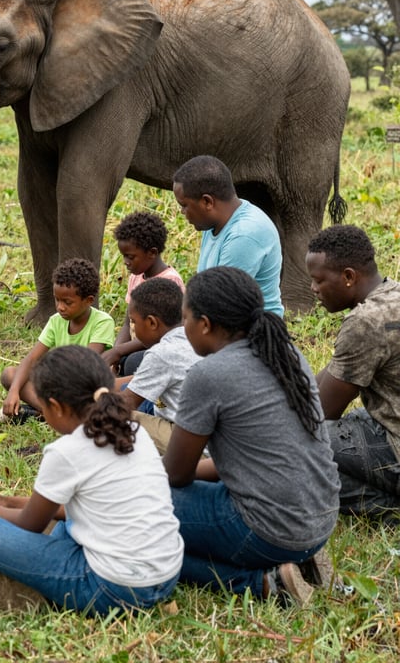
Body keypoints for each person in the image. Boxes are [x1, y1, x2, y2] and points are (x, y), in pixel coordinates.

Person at [0, 345, 184, 615]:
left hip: (113, 589)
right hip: (166, 577)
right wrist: (6, 501)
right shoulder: (133, 430)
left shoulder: (66, 451)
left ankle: (34, 595)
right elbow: (89, 508)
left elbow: (31, 523)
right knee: (60, 525)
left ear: (55, 407)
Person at [164, 266, 340, 605]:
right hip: (319, 519)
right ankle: (299, 563)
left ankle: (262, 583)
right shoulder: (286, 354)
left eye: (184, 319)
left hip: (268, 531)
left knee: (135, 519)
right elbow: (258, 458)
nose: (182, 328)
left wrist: (144, 473)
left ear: (204, 324)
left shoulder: (209, 374)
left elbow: (175, 474)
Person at [306, 224, 400, 520]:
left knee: (301, 450)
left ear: (348, 277)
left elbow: (322, 413)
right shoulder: (393, 294)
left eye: (318, 281)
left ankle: (389, 509)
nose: (313, 289)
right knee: (356, 421)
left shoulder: (365, 322)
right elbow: (335, 371)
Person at [0, 258, 115, 421]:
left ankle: (53, 414)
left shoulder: (103, 322)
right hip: (60, 385)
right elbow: (32, 358)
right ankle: (53, 413)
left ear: (89, 300)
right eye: (57, 299)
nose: (60, 306)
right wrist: (14, 391)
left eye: (67, 302)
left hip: (87, 386)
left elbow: (87, 364)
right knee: (10, 375)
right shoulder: (56, 320)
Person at [172, 155, 284, 316]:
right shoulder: (215, 222)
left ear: (207, 202)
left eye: (184, 205)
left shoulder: (244, 234)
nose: (182, 212)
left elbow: (219, 305)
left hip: (254, 332)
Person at [116, 279, 201, 454]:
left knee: (115, 418)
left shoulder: (162, 354)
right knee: (133, 391)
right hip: (212, 435)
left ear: (152, 323)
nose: (132, 327)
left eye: (133, 322)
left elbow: (124, 405)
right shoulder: (196, 338)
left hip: (194, 447)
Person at [103, 211, 185, 376]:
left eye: (130, 257)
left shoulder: (169, 281)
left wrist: (119, 352)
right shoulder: (136, 276)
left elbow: (163, 334)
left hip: (162, 350)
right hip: (137, 347)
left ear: (152, 253)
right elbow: (128, 324)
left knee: (133, 362)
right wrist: (116, 353)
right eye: (123, 256)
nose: (126, 262)